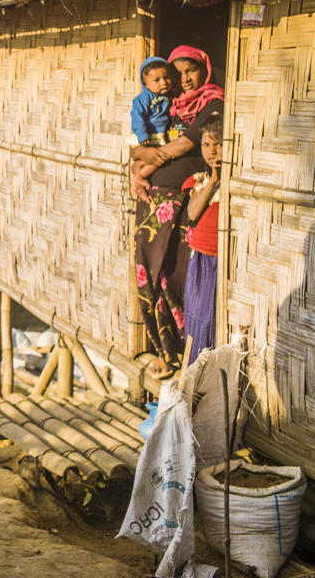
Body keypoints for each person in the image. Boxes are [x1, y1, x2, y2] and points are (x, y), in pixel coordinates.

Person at [131, 45, 225, 379]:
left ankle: (181, 353)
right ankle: (164, 351)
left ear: (206, 70)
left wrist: (141, 167)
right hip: (154, 205)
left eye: (192, 71)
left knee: (172, 275)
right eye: (179, 72)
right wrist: (136, 167)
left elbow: (182, 146)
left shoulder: (213, 106)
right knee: (150, 275)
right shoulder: (172, 106)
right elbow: (147, 146)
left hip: (178, 206)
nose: (184, 79)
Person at [181, 117, 223, 366]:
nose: (211, 151)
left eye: (217, 144)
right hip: (201, 257)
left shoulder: (237, 183)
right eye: (206, 145)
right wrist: (215, 179)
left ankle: (213, 370)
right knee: (197, 315)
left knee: (213, 317)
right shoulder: (202, 181)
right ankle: (194, 367)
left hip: (222, 257)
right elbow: (193, 213)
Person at [130, 56, 174, 146]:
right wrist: (142, 134)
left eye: (166, 77)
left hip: (161, 136)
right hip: (147, 137)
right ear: (145, 83)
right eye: (157, 80)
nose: (163, 82)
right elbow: (137, 117)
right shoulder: (143, 99)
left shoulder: (170, 96)